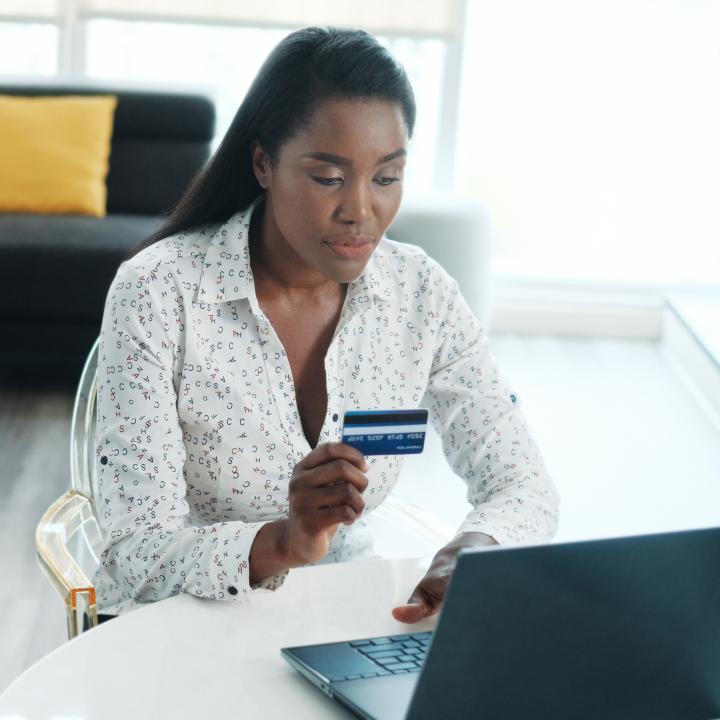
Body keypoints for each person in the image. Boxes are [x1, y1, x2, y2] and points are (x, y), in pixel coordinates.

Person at [92, 26, 560, 627]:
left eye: (386, 177)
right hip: (176, 626)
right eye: (329, 178)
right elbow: (137, 553)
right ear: (263, 163)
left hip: (340, 613)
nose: (361, 210)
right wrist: (286, 541)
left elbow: (524, 484)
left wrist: (473, 553)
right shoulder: (159, 292)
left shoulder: (422, 296)